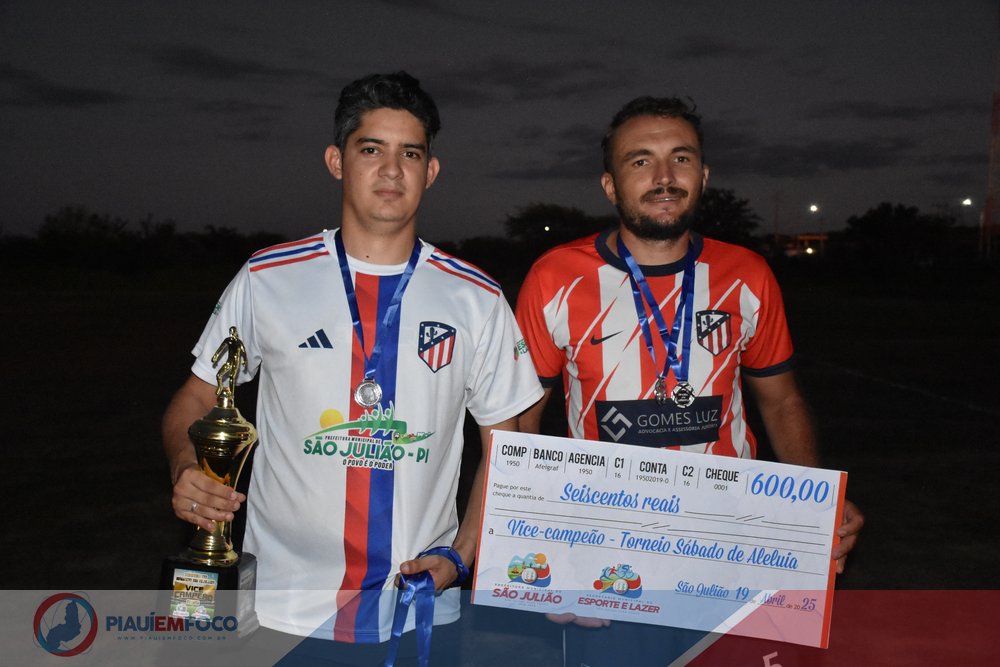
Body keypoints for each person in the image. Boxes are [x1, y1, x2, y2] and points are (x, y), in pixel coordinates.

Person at [162, 71, 543, 664]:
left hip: (416, 610)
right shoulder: (267, 278)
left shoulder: (476, 297)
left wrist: (462, 554)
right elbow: (195, 398)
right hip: (280, 609)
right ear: (337, 161)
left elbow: (508, 447)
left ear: (430, 171)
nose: (391, 170)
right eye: (371, 150)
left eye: (409, 153)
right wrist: (187, 466)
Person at [514, 96, 863, 665]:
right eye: (640, 161)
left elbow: (781, 402)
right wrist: (534, 540)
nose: (664, 176)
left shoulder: (747, 273)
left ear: (703, 175)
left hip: (733, 548)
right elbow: (520, 422)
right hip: (609, 556)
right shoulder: (556, 277)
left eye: (681, 158)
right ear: (610, 185)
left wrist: (816, 505)